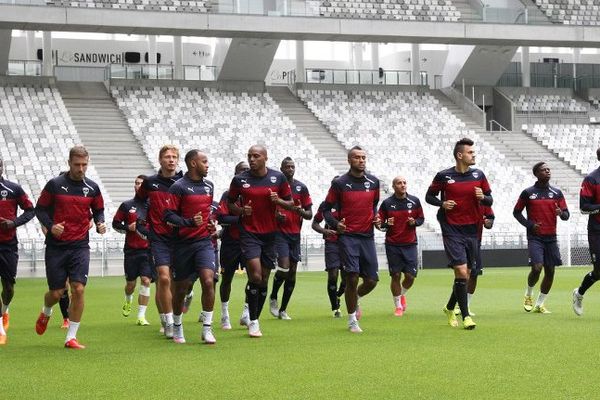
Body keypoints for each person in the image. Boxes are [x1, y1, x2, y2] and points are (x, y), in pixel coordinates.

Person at [34, 146, 106, 349]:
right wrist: (51, 226)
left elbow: (98, 210)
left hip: (80, 245)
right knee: (56, 293)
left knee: (79, 289)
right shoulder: (55, 185)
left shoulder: (92, 188)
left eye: (84, 164)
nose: (81, 168)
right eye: (77, 164)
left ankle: (71, 337)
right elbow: (40, 209)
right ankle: (47, 310)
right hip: (56, 247)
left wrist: (100, 223)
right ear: (69, 163)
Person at [227, 145, 293, 338]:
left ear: (265, 158)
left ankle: (252, 314)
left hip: (271, 235)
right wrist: (241, 211)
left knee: (263, 279)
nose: (252, 159)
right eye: (249, 156)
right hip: (249, 234)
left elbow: (290, 203)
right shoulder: (240, 180)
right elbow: (230, 204)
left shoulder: (277, 178)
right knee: (255, 276)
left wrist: (278, 201)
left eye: (256, 156)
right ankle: (253, 321)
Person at [426, 137, 492, 330]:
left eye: (474, 152)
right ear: (459, 155)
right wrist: (442, 204)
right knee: (462, 271)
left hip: (473, 229)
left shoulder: (479, 175)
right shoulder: (444, 176)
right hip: (451, 228)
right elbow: (429, 196)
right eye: (470, 152)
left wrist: (484, 197)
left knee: (467, 274)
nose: (474, 155)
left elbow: (490, 200)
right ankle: (465, 317)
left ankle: (449, 307)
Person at [323, 146, 380, 333]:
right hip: (348, 237)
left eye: (363, 157)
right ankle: (352, 320)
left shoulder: (373, 182)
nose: (361, 160)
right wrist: (335, 223)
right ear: (349, 160)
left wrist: (376, 218)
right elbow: (326, 209)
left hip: (368, 237)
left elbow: (374, 206)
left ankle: (354, 298)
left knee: (372, 280)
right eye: (357, 158)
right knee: (352, 277)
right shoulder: (340, 183)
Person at [164, 149, 217, 344]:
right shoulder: (178, 187)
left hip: (204, 242)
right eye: (204, 161)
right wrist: (188, 222)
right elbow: (168, 216)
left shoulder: (209, 186)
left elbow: (207, 213)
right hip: (182, 245)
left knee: (208, 280)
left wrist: (211, 223)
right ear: (193, 163)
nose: (207, 165)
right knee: (181, 289)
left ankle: (207, 328)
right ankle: (177, 326)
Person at [137, 145, 182, 338]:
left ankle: (172, 313)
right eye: (167, 157)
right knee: (163, 278)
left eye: (174, 157)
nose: (171, 160)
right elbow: (139, 202)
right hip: (158, 238)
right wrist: (142, 223)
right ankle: (168, 321)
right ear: (160, 160)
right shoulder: (150, 183)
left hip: (181, 238)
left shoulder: (184, 181)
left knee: (178, 282)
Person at [514, 162, 569, 314]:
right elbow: (516, 212)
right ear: (536, 174)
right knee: (537, 268)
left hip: (551, 238)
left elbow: (566, 215)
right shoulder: (528, 193)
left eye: (548, 169)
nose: (547, 171)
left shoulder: (556, 193)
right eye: (543, 170)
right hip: (535, 237)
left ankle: (540, 304)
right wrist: (530, 225)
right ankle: (529, 294)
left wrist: (561, 213)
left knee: (550, 271)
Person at [269, 157, 313, 320]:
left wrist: (300, 211)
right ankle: (273, 296)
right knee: (284, 267)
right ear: (281, 169)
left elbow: (309, 215)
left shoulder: (301, 188)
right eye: (286, 167)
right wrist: (276, 217)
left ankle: (283, 310)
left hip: (295, 235)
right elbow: (266, 211)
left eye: (292, 166)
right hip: (279, 234)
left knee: (293, 273)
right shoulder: (274, 188)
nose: (290, 169)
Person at [376, 176, 424, 317]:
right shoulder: (387, 203)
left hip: (410, 244)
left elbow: (421, 219)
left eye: (404, 182)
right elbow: (378, 223)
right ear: (393, 186)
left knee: (410, 276)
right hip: (393, 244)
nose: (403, 185)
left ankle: (402, 294)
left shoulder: (414, 201)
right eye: (399, 183)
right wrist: (386, 224)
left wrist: (414, 222)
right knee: (395, 275)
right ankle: (397, 306)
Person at [0, 158, 35, 344]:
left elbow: (30, 210)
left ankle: (4, 311)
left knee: (8, 288)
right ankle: (0, 330)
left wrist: (13, 223)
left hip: (7, 245)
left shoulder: (13, 189)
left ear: (2, 167)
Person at [112, 175, 152, 326]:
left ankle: (141, 316)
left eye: (141, 184)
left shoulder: (152, 205)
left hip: (147, 250)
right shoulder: (127, 205)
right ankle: (128, 300)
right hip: (131, 250)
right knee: (130, 284)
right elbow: (115, 223)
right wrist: (127, 227)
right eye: (136, 183)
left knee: (146, 280)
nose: (138, 186)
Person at [216, 161, 249, 330]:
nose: (245, 173)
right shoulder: (228, 194)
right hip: (230, 242)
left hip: (250, 241)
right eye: (242, 170)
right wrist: (242, 218)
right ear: (235, 174)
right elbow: (221, 218)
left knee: (254, 278)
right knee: (227, 278)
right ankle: (224, 314)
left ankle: (246, 313)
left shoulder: (254, 193)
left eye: (247, 170)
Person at [573, 148, 600, 316]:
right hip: (597, 231)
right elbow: (584, 207)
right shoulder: (592, 179)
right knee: (599, 272)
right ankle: (579, 293)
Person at [312, 199, 346, 318]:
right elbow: (314, 223)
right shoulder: (326, 205)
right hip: (331, 243)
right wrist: (325, 231)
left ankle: (337, 295)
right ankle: (335, 308)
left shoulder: (350, 202)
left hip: (348, 242)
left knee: (347, 279)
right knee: (333, 275)